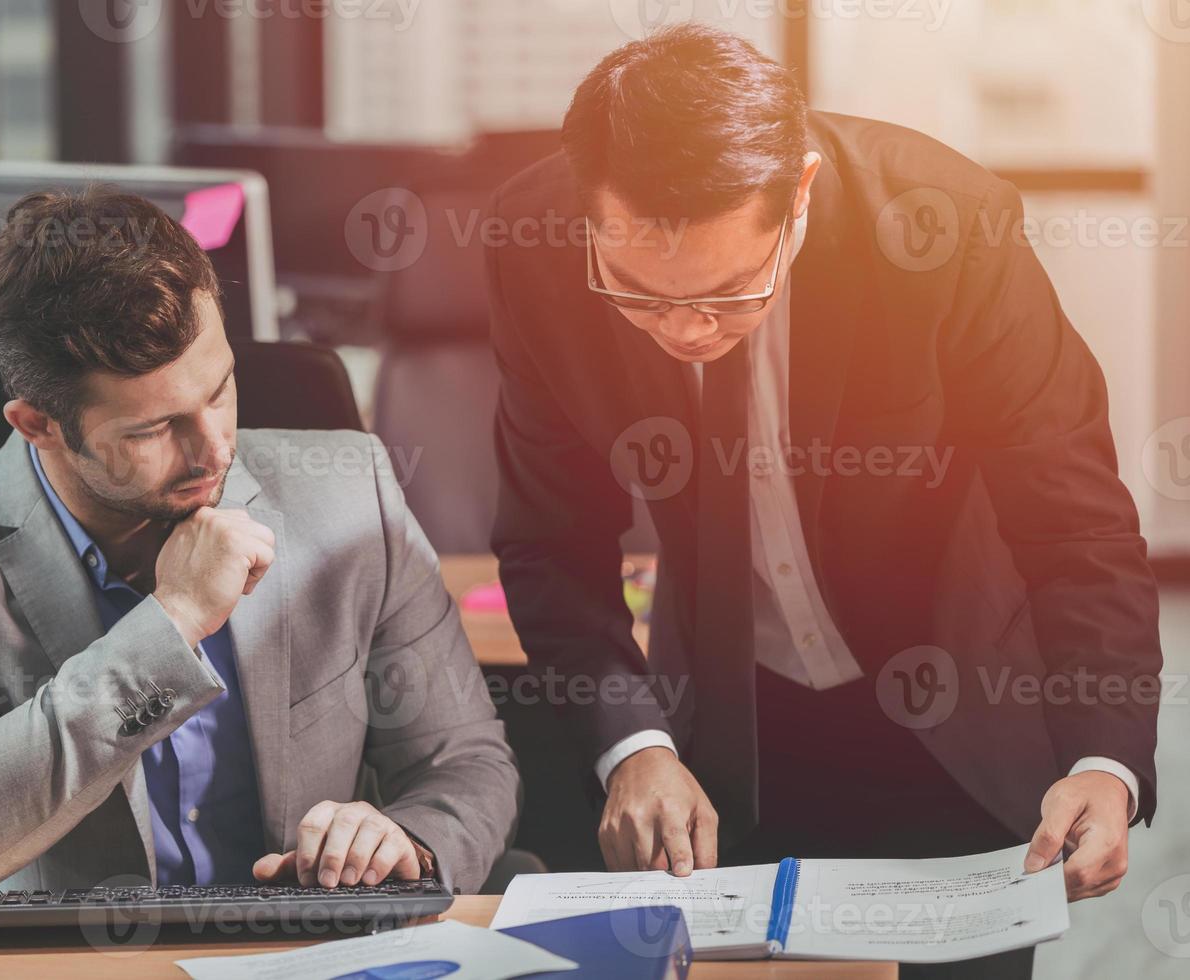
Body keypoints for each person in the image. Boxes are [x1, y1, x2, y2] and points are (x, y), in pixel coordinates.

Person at [486, 25, 1158, 978]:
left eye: (731, 291)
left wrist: (1105, 758)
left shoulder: (945, 227)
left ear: (798, 196)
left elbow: (1073, 517)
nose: (686, 333)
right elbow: (551, 539)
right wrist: (632, 741)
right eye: (637, 293)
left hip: (952, 708)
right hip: (722, 730)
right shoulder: (532, 247)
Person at [0, 187, 518, 896]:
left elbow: (468, 765)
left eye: (221, 390)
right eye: (151, 430)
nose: (214, 450)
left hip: (302, 962)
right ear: (37, 424)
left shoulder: (353, 497)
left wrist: (403, 840)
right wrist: (170, 626)